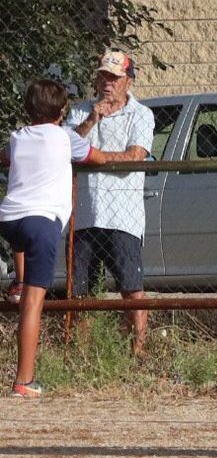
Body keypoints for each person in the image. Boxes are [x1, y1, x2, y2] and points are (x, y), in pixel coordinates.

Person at [1, 79, 121, 397]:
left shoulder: (18, 136)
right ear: (63, 110)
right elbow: (95, 157)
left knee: (21, 240)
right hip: (42, 222)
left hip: (9, 218)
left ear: (28, 109)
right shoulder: (66, 136)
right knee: (33, 305)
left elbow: (6, 157)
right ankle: (24, 381)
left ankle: (19, 281)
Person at [67, 50, 154, 356]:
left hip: (123, 217)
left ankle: (138, 351)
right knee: (79, 292)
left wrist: (95, 157)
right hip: (85, 214)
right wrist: (92, 121)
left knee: (131, 288)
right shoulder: (79, 112)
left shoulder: (141, 115)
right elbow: (65, 148)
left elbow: (135, 156)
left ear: (128, 82)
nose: (107, 83)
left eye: (114, 78)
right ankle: (81, 353)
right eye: (103, 76)